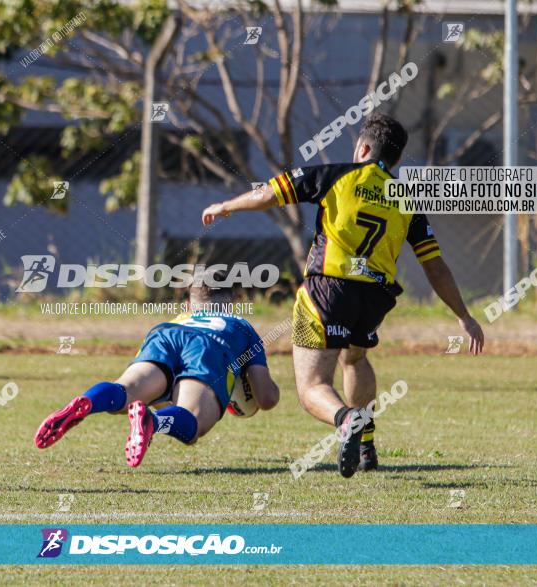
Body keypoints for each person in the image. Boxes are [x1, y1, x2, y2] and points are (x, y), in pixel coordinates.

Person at [201, 113, 484, 478]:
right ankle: (366, 444)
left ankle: (345, 419)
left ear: (362, 147)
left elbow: (271, 193)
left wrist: (225, 206)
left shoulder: (336, 175)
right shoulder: (405, 198)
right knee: (354, 360)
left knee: (312, 387)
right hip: (374, 298)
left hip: (327, 291)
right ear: (395, 159)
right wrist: (464, 315)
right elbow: (435, 266)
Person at [34, 276, 280, 467]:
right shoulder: (241, 326)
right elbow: (267, 398)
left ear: (188, 304)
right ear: (234, 302)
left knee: (125, 391)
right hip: (210, 346)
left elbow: (165, 394)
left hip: (164, 335)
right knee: (193, 421)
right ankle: (153, 422)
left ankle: (89, 401)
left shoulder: (182, 317)